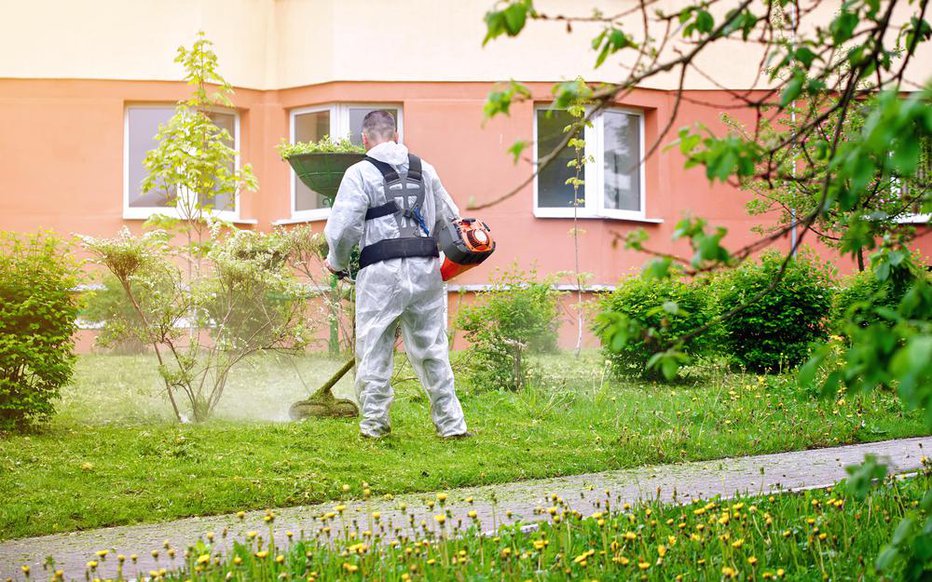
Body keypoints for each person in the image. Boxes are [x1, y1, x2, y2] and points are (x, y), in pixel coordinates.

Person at [324, 110, 471, 439]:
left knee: (375, 347)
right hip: (425, 270)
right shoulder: (426, 170)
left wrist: (336, 261)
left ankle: (375, 426)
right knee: (432, 349)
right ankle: (452, 426)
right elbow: (450, 218)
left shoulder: (359, 172)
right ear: (396, 135)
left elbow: (344, 228)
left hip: (380, 274)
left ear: (364, 139)